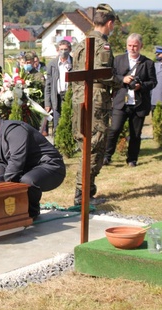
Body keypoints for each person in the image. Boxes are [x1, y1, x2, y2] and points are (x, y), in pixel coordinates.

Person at [71, 3, 122, 206]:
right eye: (113, 25)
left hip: (80, 98)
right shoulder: (102, 45)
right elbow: (104, 73)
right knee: (94, 147)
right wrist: (122, 81)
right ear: (109, 23)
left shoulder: (81, 43)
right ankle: (81, 196)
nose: (113, 28)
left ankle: (87, 192)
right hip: (96, 101)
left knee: (88, 145)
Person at [0, 110, 66, 220]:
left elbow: (16, 161)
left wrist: (4, 187)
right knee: (12, 180)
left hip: (52, 167)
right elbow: (3, 170)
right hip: (31, 169)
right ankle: (18, 212)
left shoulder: (15, 130)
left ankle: (31, 214)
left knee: (26, 180)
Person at [104, 33, 157, 167]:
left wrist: (141, 86)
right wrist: (123, 79)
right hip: (121, 101)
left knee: (135, 133)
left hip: (139, 103)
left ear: (141, 46)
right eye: (130, 46)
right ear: (126, 46)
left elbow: (153, 82)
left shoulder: (148, 63)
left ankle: (132, 159)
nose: (132, 48)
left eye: (135, 46)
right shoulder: (118, 60)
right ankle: (107, 156)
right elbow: (112, 76)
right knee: (114, 129)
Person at [44, 40, 73, 140]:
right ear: (57, 50)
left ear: (70, 49)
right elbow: (48, 85)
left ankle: (69, 144)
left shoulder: (74, 63)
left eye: (65, 49)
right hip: (57, 97)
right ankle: (57, 144)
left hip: (70, 97)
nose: (63, 51)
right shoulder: (52, 64)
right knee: (57, 123)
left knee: (71, 121)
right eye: (61, 49)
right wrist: (47, 103)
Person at [152, 46, 162, 112]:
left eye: (159, 54)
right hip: (154, 99)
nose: (157, 56)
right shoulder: (154, 65)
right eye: (156, 54)